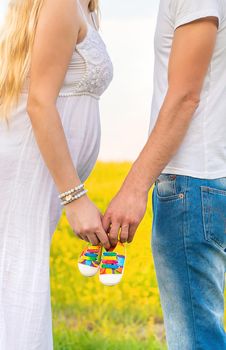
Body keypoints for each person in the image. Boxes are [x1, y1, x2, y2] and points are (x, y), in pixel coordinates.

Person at [103, 0, 226, 348]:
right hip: (208, 183)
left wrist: (133, 188)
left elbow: (186, 96)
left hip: (191, 186)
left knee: (196, 340)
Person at [0, 0, 113, 348]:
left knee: (18, 279)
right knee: (18, 278)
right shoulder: (62, 2)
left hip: (38, 175)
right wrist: (74, 197)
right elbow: (39, 102)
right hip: (26, 172)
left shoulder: (84, 6)